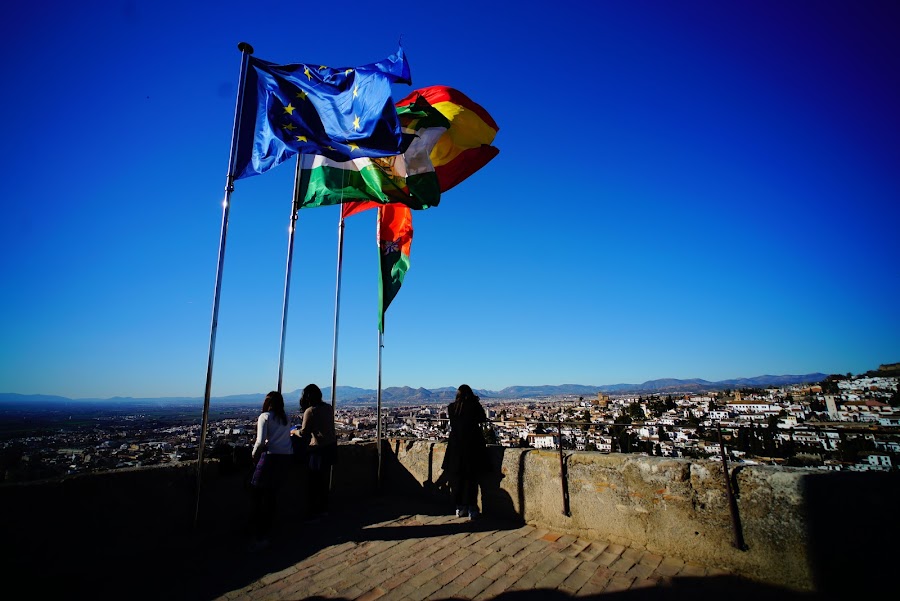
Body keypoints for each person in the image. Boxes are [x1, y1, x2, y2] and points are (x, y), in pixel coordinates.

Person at [248, 390, 293, 551]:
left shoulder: (265, 417)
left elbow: (260, 442)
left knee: (257, 495)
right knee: (272, 496)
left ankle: (259, 535)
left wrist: (254, 456)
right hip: (285, 458)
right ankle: (268, 531)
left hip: (270, 458)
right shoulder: (286, 418)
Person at [441, 384, 489, 520]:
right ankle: (472, 509)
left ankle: (459, 507)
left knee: (457, 479)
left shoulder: (451, 408)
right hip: (472, 445)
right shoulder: (473, 406)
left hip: (455, 446)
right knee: (471, 479)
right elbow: (482, 418)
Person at [293, 384, 337, 521]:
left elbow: (304, 432)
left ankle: (314, 510)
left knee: (314, 481)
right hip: (331, 447)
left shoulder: (310, 411)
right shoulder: (328, 407)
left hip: (318, 450)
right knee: (324, 481)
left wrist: (293, 431)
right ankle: (324, 509)